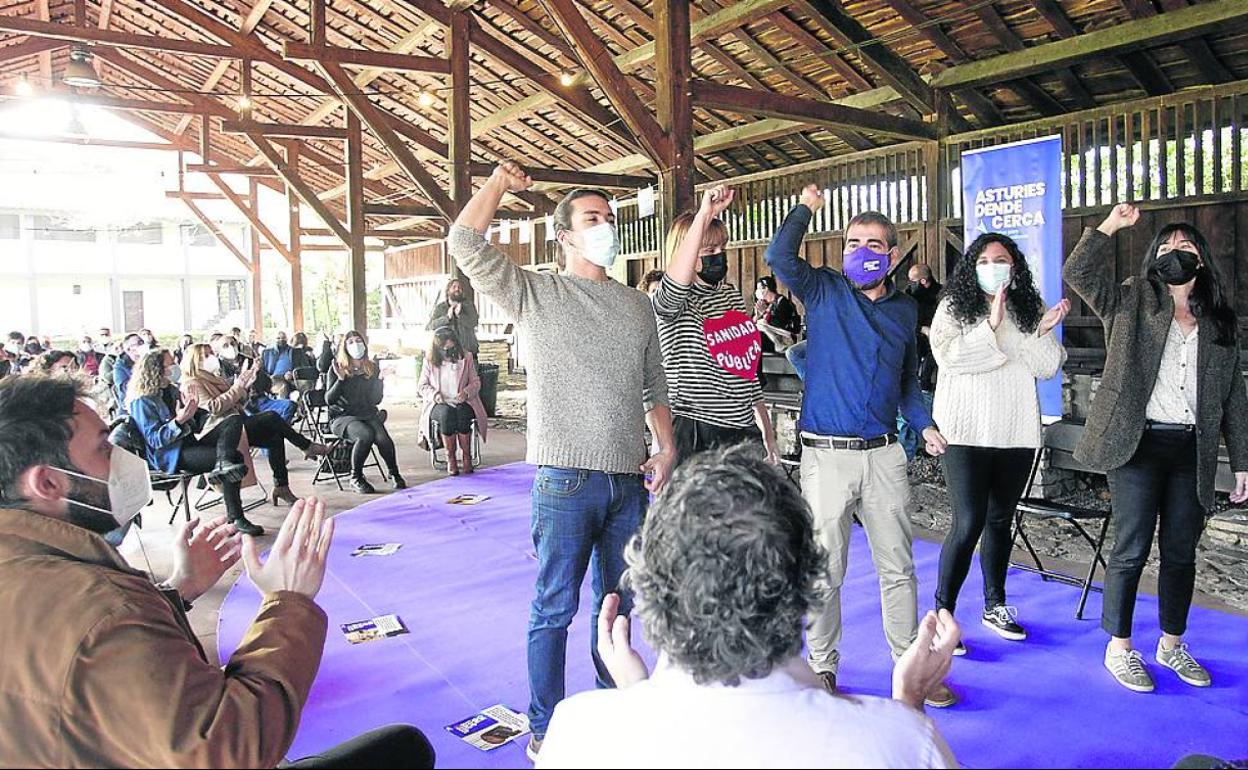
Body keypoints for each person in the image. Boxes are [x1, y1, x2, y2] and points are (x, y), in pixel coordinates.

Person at [0, 374, 436, 768]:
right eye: (102, 447)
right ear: (48, 483)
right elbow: (230, 747)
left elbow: (85, 665)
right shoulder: (103, 608)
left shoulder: (36, 570)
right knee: (403, 749)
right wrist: (289, 603)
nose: (118, 458)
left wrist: (176, 591)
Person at [448, 162, 675, 760]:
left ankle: (612, 709)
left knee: (618, 607)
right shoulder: (537, 292)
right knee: (555, 607)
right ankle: (545, 725)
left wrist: (667, 442)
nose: (606, 227)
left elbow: (654, 382)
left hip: (630, 480)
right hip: (565, 480)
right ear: (566, 236)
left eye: (610, 218)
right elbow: (464, 242)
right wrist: (498, 185)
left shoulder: (635, 305)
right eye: (592, 219)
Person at [539, 445, 959, 769]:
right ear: (808, 585)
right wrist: (908, 705)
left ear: (649, 590)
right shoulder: (898, 741)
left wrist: (636, 694)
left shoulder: (578, 733)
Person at [765, 186, 954, 707]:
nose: (862, 250)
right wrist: (805, 207)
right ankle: (824, 666)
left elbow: (906, 383)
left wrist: (925, 423)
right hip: (825, 455)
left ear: (892, 256)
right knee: (825, 567)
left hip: (884, 453)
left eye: (874, 243)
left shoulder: (902, 311)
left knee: (898, 565)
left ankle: (909, 667)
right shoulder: (824, 289)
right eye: (853, 241)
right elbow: (778, 256)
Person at [1065, 204, 1248, 693]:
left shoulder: (1220, 321)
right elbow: (1077, 271)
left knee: (1180, 553)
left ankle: (1171, 645)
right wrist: (1109, 226)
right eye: (1165, 248)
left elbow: (1234, 396)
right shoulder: (1130, 300)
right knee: (1129, 549)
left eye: (1185, 247)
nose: (1174, 254)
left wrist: (1243, 462)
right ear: (1152, 260)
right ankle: (1119, 648)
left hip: (1192, 450)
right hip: (1138, 443)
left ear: (1202, 260)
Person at [930, 233, 1068, 656]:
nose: (994, 265)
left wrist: (1041, 332)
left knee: (1000, 520)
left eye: (1002, 259)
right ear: (973, 267)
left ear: (1015, 266)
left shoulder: (1028, 310)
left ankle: (995, 604)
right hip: (965, 432)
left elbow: (1046, 366)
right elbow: (951, 357)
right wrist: (991, 325)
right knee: (968, 521)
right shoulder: (954, 307)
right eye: (985, 259)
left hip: (1014, 433)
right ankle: (943, 615)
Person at [652, 188, 778, 466]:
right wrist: (704, 215)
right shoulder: (670, 302)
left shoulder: (731, 295)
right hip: (695, 428)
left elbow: (746, 368)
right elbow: (673, 289)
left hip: (742, 428)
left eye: (722, 248)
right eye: (709, 250)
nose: (719, 256)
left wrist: (767, 432)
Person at [126, 350, 263, 536]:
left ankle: (222, 465)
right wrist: (179, 421)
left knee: (232, 419)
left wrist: (195, 412)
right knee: (235, 457)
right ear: (156, 369)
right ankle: (236, 518)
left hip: (188, 442)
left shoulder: (172, 390)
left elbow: (196, 423)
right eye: (170, 364)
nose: (175, 366)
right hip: (171, 455)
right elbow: (155, 440)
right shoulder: (142, 401)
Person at [181, 343, 327, 507]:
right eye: (205, 356)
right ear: (194, 360)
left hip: (235, 423)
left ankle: (282, 486)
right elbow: (214, 408)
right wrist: (238, 387)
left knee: (274, 435)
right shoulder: (192, 383)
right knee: (271, 417)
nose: (211, 358)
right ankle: (306, 446)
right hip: (218, 431)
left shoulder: (215, 378)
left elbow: (236, 402)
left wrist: (246, 387)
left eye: (210, 354)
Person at [326, 331, 406, 493]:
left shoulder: (371, 368)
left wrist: (380, 380)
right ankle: (356, 477)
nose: (356, 344)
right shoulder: (338, 368)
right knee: (365, 434)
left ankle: (394, 473)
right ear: (345, 347)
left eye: (358, 340)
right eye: (351, 342)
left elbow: (375, 400)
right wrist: (341, 380)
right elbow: (329, 399)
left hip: (366, 413)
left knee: (383, 438)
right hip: (342, 417)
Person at [418, 327, 489, 476]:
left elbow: (476, 382)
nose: (447, 352)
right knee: (447, 415)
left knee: (463, 414)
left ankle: (467, 456)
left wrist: (466, 392)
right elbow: (422, 386)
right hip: (439, 403)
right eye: (443, 349)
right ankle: (450, 458)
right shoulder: (429, 360)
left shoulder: (467, 357)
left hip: (463, 401)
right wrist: (435, 395)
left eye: (450, 348)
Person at [898, 264, 944, 459]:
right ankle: (910, 448)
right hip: (915, 348)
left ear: (924, 281)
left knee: (924, 388)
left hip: (937, 350)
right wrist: (921, 329)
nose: (910, 285)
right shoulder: (908, 296)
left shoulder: (941, 296)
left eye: (914, 281)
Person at [426, 278, 481, 358]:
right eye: (454, 287)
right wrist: (447, 317)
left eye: (459, 287)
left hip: (468, 351)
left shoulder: (469, 306)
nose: (457, 289)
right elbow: (431, 326)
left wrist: (460, 316)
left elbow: (474, 323)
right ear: (448, 291)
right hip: (447, 352)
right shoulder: (440, 308)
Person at [754, 274, 802, 352]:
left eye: (759, 288)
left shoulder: (782, 302)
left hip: (784, 337)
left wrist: (765, 313)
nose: (757, 291)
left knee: (760, 330)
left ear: (766, 288)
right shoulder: (761, 303)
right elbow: (752, 324)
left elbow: (779, 324)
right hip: (767, 337)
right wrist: (757, 316)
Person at [262, 331, 316, 399]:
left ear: (287, 339)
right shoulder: (267, 353)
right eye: (278, 338)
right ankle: (284, 407)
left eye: (283, 338)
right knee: (283, 387)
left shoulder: (295, 351)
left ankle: (304, 405)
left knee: (306, 384)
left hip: (293, 378)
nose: (281, 340)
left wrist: (293, 374)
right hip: (275, 379)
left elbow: (304, 367)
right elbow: (263, 371)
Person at [112, 333, 148, 411]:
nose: (142, 345)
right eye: (138, 343)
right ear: (128, 349)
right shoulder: (119, 367)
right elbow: (127, 389)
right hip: (133, 406)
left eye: (142, 342)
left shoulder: (149, 360)